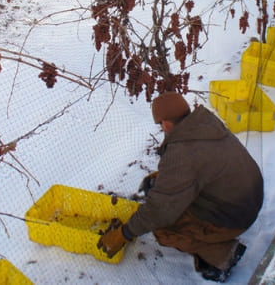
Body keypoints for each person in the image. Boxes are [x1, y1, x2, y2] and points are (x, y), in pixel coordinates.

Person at [97, 92, 264, 283]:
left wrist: (124, 234)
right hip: (250, 197)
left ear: (166, 124)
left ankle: (222, 254)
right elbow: (202, 167)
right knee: (162, 195)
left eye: (160, 125)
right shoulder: (205, 124)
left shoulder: (182, 153)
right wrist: (164, 179)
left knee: (163, 228)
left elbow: (159, 211)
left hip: (234, 216)